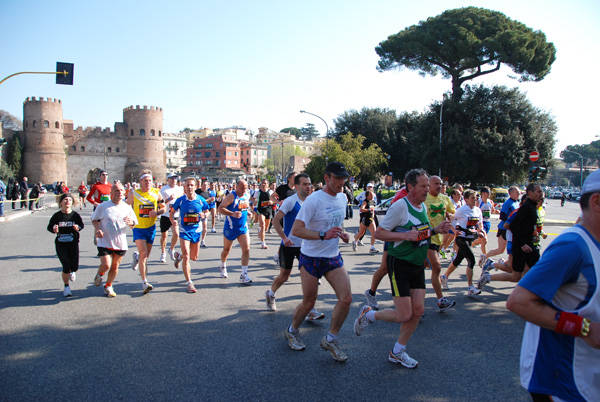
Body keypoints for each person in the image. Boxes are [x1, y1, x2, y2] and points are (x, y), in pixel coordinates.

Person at [506, 171, 600, 402]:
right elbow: (518, 302)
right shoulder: (573, 246)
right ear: (596, 201)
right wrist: (584, 328)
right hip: (562, 381)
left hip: (589, 375)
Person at [353, 169, 452, 368]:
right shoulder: (400, 207)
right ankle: (369, 315)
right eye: (423, 186)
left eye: (427, 186)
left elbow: (420, 232)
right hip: (399, 264)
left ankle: (397, 351)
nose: (426, 190)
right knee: (404, 314)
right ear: (410, 187)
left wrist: (434, 230)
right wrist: (404, 236)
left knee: (418, 311)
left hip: (417, 264)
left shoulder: (422, 206)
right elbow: (380, 233)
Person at [283, 162, 352, 362]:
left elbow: (337, 222)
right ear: (327, 177)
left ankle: (331, 339)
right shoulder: (314, 200)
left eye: (343, 178)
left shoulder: (343, 197)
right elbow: (296, 230)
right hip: (311, 257)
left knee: (346, 299)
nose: (341, 182)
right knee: (309, 302)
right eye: (338, 178)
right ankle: (292, 330)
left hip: (332, 257)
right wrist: (323, 234)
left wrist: (342, 233)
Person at [266, 173, 325, 320]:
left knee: (310, 277)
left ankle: (311, 309)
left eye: (309, 184)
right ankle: (271, 294)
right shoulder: (290, 201)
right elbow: (276, 221)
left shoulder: (312, 202)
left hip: (306, 246)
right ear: (297, 186)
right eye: (305, 184)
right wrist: (284, 238)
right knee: (284, 276)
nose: (308, 186)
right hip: (289, 245)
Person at [479, 184, 544, 290]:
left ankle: (530, 293)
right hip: (520, 246)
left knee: (530, 271)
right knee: (515, 275)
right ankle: (489, 274)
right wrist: (522, 244)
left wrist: (534, 234)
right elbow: (511, 225)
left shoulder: (533, 207)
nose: (541, 195)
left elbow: (525, 225)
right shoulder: (525, 208)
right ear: (530, 193)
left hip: (528, 244)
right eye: (539, 192)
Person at [91, 182, 137, 297]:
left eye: (121, 190)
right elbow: (94, 219)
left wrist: (131, 222)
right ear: (111, 193)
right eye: (116, 190)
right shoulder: (103, 206)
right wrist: (97, 229)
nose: (120, 192)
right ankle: (100, 272)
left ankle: (108, 285)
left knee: (115, 266)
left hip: (120, 242)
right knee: (106, 265)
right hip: (105, 240)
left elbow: (134, 224)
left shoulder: (127, 207)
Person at [440, 189, 485, 295]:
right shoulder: (461, 210)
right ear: (466, 199)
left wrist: (480, 231)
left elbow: (479, 223)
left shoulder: (477, 210)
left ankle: (444, 276)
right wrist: (455, 231)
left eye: (476, 198)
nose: (475, 200)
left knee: (458, 260)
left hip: (470, 238)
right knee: (471, 260)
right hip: (461, 238)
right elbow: (449, 221)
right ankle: (470, 287)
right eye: (472, 198)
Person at [127, 170, 166, 294]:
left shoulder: (156, 193)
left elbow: (164, 208)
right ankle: (144, 282)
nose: (148, 183)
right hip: (138, 228)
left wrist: (157, 212)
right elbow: (125, 206)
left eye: (150, 180)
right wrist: (129, 220)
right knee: (144, 255)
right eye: (145, 180)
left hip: (151, 227)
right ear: (140, 182)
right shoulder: (134, 193)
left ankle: (136, 257)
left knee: (146, 255)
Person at [171, 177, 210, 293]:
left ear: (195, 187)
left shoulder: (201, 199)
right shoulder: (181, 200)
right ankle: (189, 283)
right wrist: (173, 221)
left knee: (194, 257)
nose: (190, 187)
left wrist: (204, 215)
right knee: (187, 256)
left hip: (196, 231)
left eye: (192, 185)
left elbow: (207, 211)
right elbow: (172, 212)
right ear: (184, 187)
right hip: (184, 231)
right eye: (187, 185)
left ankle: (179, 256)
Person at [423, 175, 456, 311]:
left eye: (440, 183)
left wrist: (450, 216)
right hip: (426, 238)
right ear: (429, 185)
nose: (439, 186)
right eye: (436, 183)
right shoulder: (424, 199)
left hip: (438, 240)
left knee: (421, 268)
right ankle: (441, 300)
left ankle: (408, 290)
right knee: (436, 267)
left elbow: (452, 212)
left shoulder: (445, 199)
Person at [47, 193, 84, 297]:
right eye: (65, 200)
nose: (68, 202)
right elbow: (49, 227)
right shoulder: (57, 216)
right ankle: (66, 286)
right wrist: (54, 230)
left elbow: (81, 225)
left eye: (70, 200)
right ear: (61, 202)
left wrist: (78, 228)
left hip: (73, 243)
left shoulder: (75, 215)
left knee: (74, 266)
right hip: (61, 243)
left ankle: (73, 271)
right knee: (66, 265)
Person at [217, 179, 252, 283]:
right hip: (231, 227)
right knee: (227, 250)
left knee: (246, 249)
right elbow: (220, 208)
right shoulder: (231, 196)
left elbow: (244, 207)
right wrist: (232, 214)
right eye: (242, 188)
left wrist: (248, 212)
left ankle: (244, 274)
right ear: (236, 187)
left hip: (242, 227)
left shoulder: (246, 195)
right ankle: (223, 265)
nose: (243, 190)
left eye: (245, 188)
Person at [481, 186, 520, 262]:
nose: (519, 194)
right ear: (511, 193)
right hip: (504, 229)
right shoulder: (508, 203)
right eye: (517, 192)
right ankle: (484, 257)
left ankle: (506, 263)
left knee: (512, 248)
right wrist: (509, 223)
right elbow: (502, 215)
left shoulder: (517, 203)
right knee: (500, 250)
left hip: (512, 229)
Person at [159, 173, 183, 262]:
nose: (174, 180)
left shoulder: (179, 189)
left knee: (176, 234)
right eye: (172, 178)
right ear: (168, 179)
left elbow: (181, 201)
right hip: (165, 215)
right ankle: (163, 253)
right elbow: (160, 204)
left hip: (175, 215)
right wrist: (168, 199)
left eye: (175, 179)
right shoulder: (164, 190)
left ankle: (171, 249)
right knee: (164, 236)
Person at [255, 179, 275, 249]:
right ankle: (263, 243)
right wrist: (254, 206)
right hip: (260, 210)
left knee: (266, 228)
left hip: (268, 210)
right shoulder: (258, 192)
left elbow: (275, 201)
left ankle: (260, 230)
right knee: (263, 225)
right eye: (262, 183)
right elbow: (253, 199)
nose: (263, 185)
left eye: (265, 183)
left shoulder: (271, 192)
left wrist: (272, 202)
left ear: (268, 185)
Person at [195, 180, 213, 248]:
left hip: (205, 211)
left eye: (206, 185)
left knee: (205, 227)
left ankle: (203, 240)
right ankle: (197, 240)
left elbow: (207, 203)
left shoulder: (208, 192)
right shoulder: (197, 192)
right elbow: (198, 201)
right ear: (201, 185)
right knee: (197, 227)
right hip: (198, 212)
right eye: (204, 185)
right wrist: (208, 200)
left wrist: (211, 200)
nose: (205, 186)